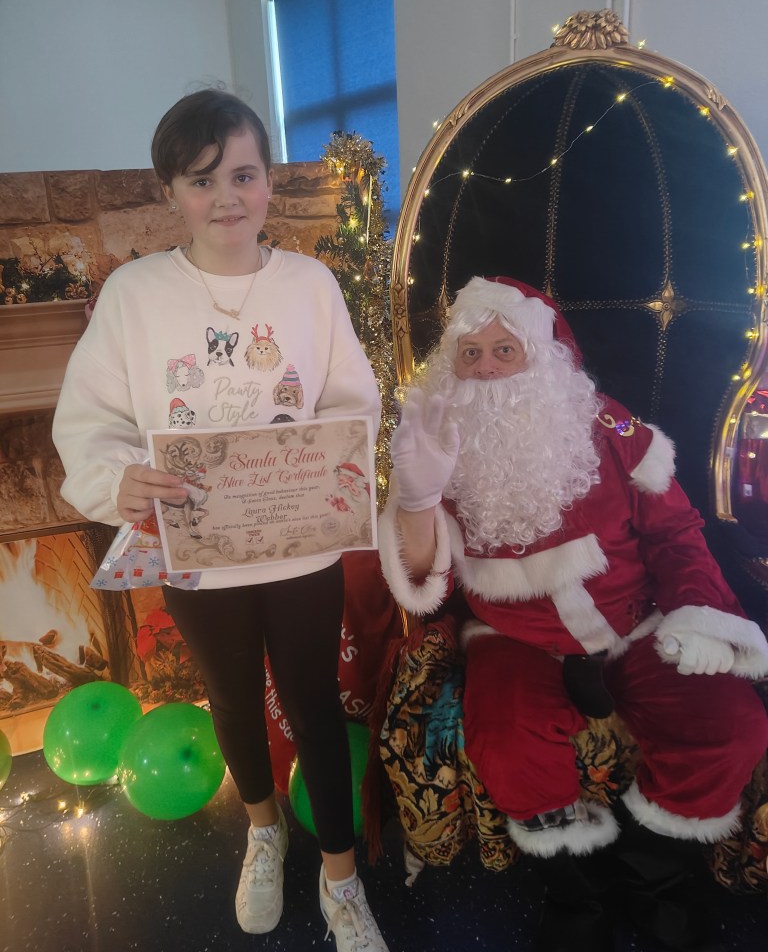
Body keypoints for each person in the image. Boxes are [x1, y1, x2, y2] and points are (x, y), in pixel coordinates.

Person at [52, 88, 390, 952]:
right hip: (196, 552)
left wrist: (334, 461)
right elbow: (90, 420)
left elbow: (351, 399)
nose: (226, 198)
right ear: (170, 191)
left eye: (242, 174)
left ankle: (342, 878)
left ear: (269, 179)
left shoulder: (310, 286)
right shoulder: (134, 294)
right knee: (233, 700)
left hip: (300, 547)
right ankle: (263, 830)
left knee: (315, 706)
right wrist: (115, 478)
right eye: (201, 180)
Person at [377, 275, 768, 951]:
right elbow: (419, 578)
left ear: (545, 358)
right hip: (515, 634)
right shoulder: (433, 440)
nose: (486, 368)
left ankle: (651, 877)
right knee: (506, 739)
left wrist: (699, 612)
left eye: (505, 350)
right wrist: (415, 499)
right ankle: (573, 889)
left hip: (634, 622)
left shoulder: (608, 426)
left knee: (730, 727)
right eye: (470, 353)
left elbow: (676, 532)